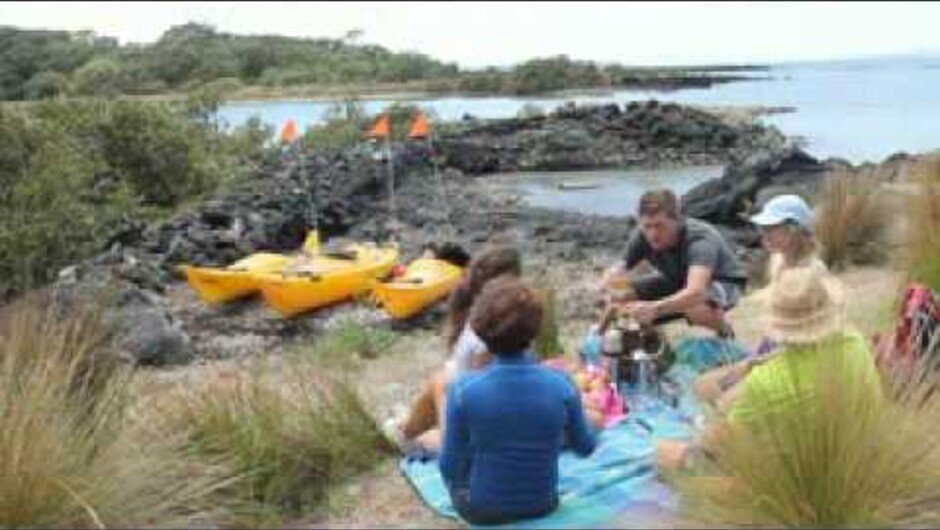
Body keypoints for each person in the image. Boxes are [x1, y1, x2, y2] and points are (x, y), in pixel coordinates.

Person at [657, 262, 883, 471]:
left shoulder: (769, 384)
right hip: (857, 449)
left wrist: (683, 451)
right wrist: (747, 367)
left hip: (804, 472)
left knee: (666, 453)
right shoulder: (851, 337)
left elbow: (709, 450)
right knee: (709, 387)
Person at [440, 276, 597, 525]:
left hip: (480, 510)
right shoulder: (562, 385)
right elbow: (585, 447)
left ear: (481, 331)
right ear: (534, 330)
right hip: (543, 505)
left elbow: (449, 468)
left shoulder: (463, 390)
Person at [386, 246, 523, 453]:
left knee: (440, 381)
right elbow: (483, 393)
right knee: (441, 383)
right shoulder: (495, 332)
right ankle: (412, 432)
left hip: (465, 402)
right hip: (472, 415)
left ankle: (408, 431)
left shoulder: (477, 317)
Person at [692, 193, 823, 405]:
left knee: (725, 402)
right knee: (703, 386)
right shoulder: (783, 265)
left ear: (792, 231)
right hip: (774, 356)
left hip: (798, 364)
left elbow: (803, 345)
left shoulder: (808, 277)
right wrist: (751, 360)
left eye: (771, 228)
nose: (764, 234)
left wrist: (753, 365)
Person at [600, 189, 748, 338]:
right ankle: (645, 341)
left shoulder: (699, 239)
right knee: (623, 293)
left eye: (659, 226)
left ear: (676, 220)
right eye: (647, 226)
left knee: (694, 307)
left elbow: (696, 292)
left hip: (722, 281)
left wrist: (655, 308)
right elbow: (618, 269)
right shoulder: (642, 235)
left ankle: (724, 331)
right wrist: (610, 284)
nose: (653, 234)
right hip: (677, 280)